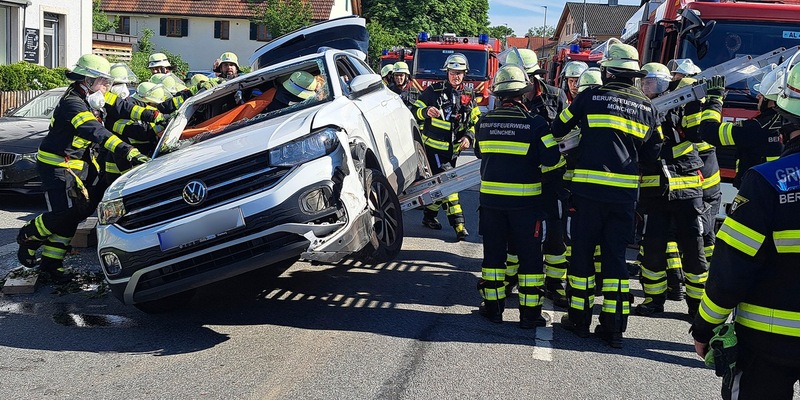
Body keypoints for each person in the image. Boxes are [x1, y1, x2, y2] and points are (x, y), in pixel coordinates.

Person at [691, 66, 800, 400]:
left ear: (786, 120)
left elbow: (731, 270)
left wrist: (705, 327)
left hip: (767, 343)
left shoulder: (766, 181)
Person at [551, 42, 662, 348]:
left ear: (608, 71)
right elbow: (653, 153)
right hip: (623, 198)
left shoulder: (589, 96)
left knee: (582, 255)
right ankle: (613, 328)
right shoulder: (647, 107)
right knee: (615, 260)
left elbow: (558, 128)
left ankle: (579, 320)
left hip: (588, 193)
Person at [16, 54, 155, 281]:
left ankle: (51, 265)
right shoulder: (72, 103)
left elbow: (123, 105)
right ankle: (28, 236)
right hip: (57, 165)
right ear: (88, 80)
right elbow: (94, 131)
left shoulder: (93, 96)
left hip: (78, 165)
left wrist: (153, 114)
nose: (107, 86)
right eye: (103, 81)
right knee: (63, 213)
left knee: (77, 212)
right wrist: (127, 151)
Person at [474, 63, 561, 327]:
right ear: (523, 93)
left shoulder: (484, 122)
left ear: (498, 94)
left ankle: (493, 309)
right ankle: (529, 316)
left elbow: (479, 152)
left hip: (491, 204)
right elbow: (553, 159)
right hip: (526, 206)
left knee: (493, 258)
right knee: (530, 260)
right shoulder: (536, 124)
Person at [635, 62, 707, 318]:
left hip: (687, 190)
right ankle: (654, 299)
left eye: (652, 83)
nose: (648, 88)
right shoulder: (640, 110)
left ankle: (697, 306)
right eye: (644, 83)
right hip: (656, 193)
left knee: (694, 250)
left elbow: (695, 134)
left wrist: (695, 96)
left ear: (665, 84)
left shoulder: (680, 105)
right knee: (653, 249)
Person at [504, 48, 570, 308]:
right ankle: (511, 277)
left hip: (552, 177)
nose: (526, 83)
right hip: (522, 177)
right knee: (516, 230)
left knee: (555, 230)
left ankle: (554, 283)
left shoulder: (556, 96)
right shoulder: (509, 97)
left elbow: (569, 132)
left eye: (528, 77)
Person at [412, 53, 479, 241]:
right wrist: (426, 111)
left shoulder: (468, 94)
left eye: (459, 73)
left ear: (464, 74)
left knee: (440, 187)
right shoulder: (433, 91)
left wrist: (469, 136)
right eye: (452, 72)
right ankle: (459, 225)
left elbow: (476, 121)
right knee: (450, 184)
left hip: (454, 151)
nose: (456, 76)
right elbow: (413, 112)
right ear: (446, 72)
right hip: (433, 150)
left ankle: (429, 216)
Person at [698, 67, 784, 189]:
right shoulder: (790, 123)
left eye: (762, 95)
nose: (757, 96)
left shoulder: (756, 127)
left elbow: (709, 131)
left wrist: (714, 101)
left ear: (772, 100)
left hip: (757, 190)